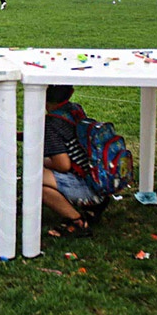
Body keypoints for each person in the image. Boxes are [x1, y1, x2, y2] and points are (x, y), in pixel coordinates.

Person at [41, 85, 109, 238]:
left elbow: (63, 165)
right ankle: (94, 207)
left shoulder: (51, 124)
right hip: (99, 180)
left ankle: (77, 222)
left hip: (86, 186)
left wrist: (40, 160)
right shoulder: (74, 110)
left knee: (34, 180)